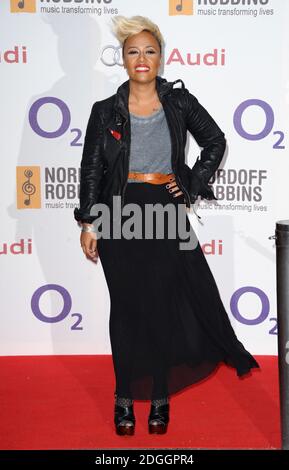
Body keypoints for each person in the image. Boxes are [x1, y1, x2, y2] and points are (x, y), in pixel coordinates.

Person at [74, 15, 260, 436]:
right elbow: (91, 168)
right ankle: (124, 396)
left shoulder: (179, 102)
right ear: (122, 59)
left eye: (150, 51)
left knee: (160, 307)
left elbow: (215, 140)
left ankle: (159, 397)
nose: (142, 58)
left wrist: (191, 183)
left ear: (161, 57)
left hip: (165, 211)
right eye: (133, 51)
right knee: (125, 309)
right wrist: (88, 220)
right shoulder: (104, 111)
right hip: (118, 213)